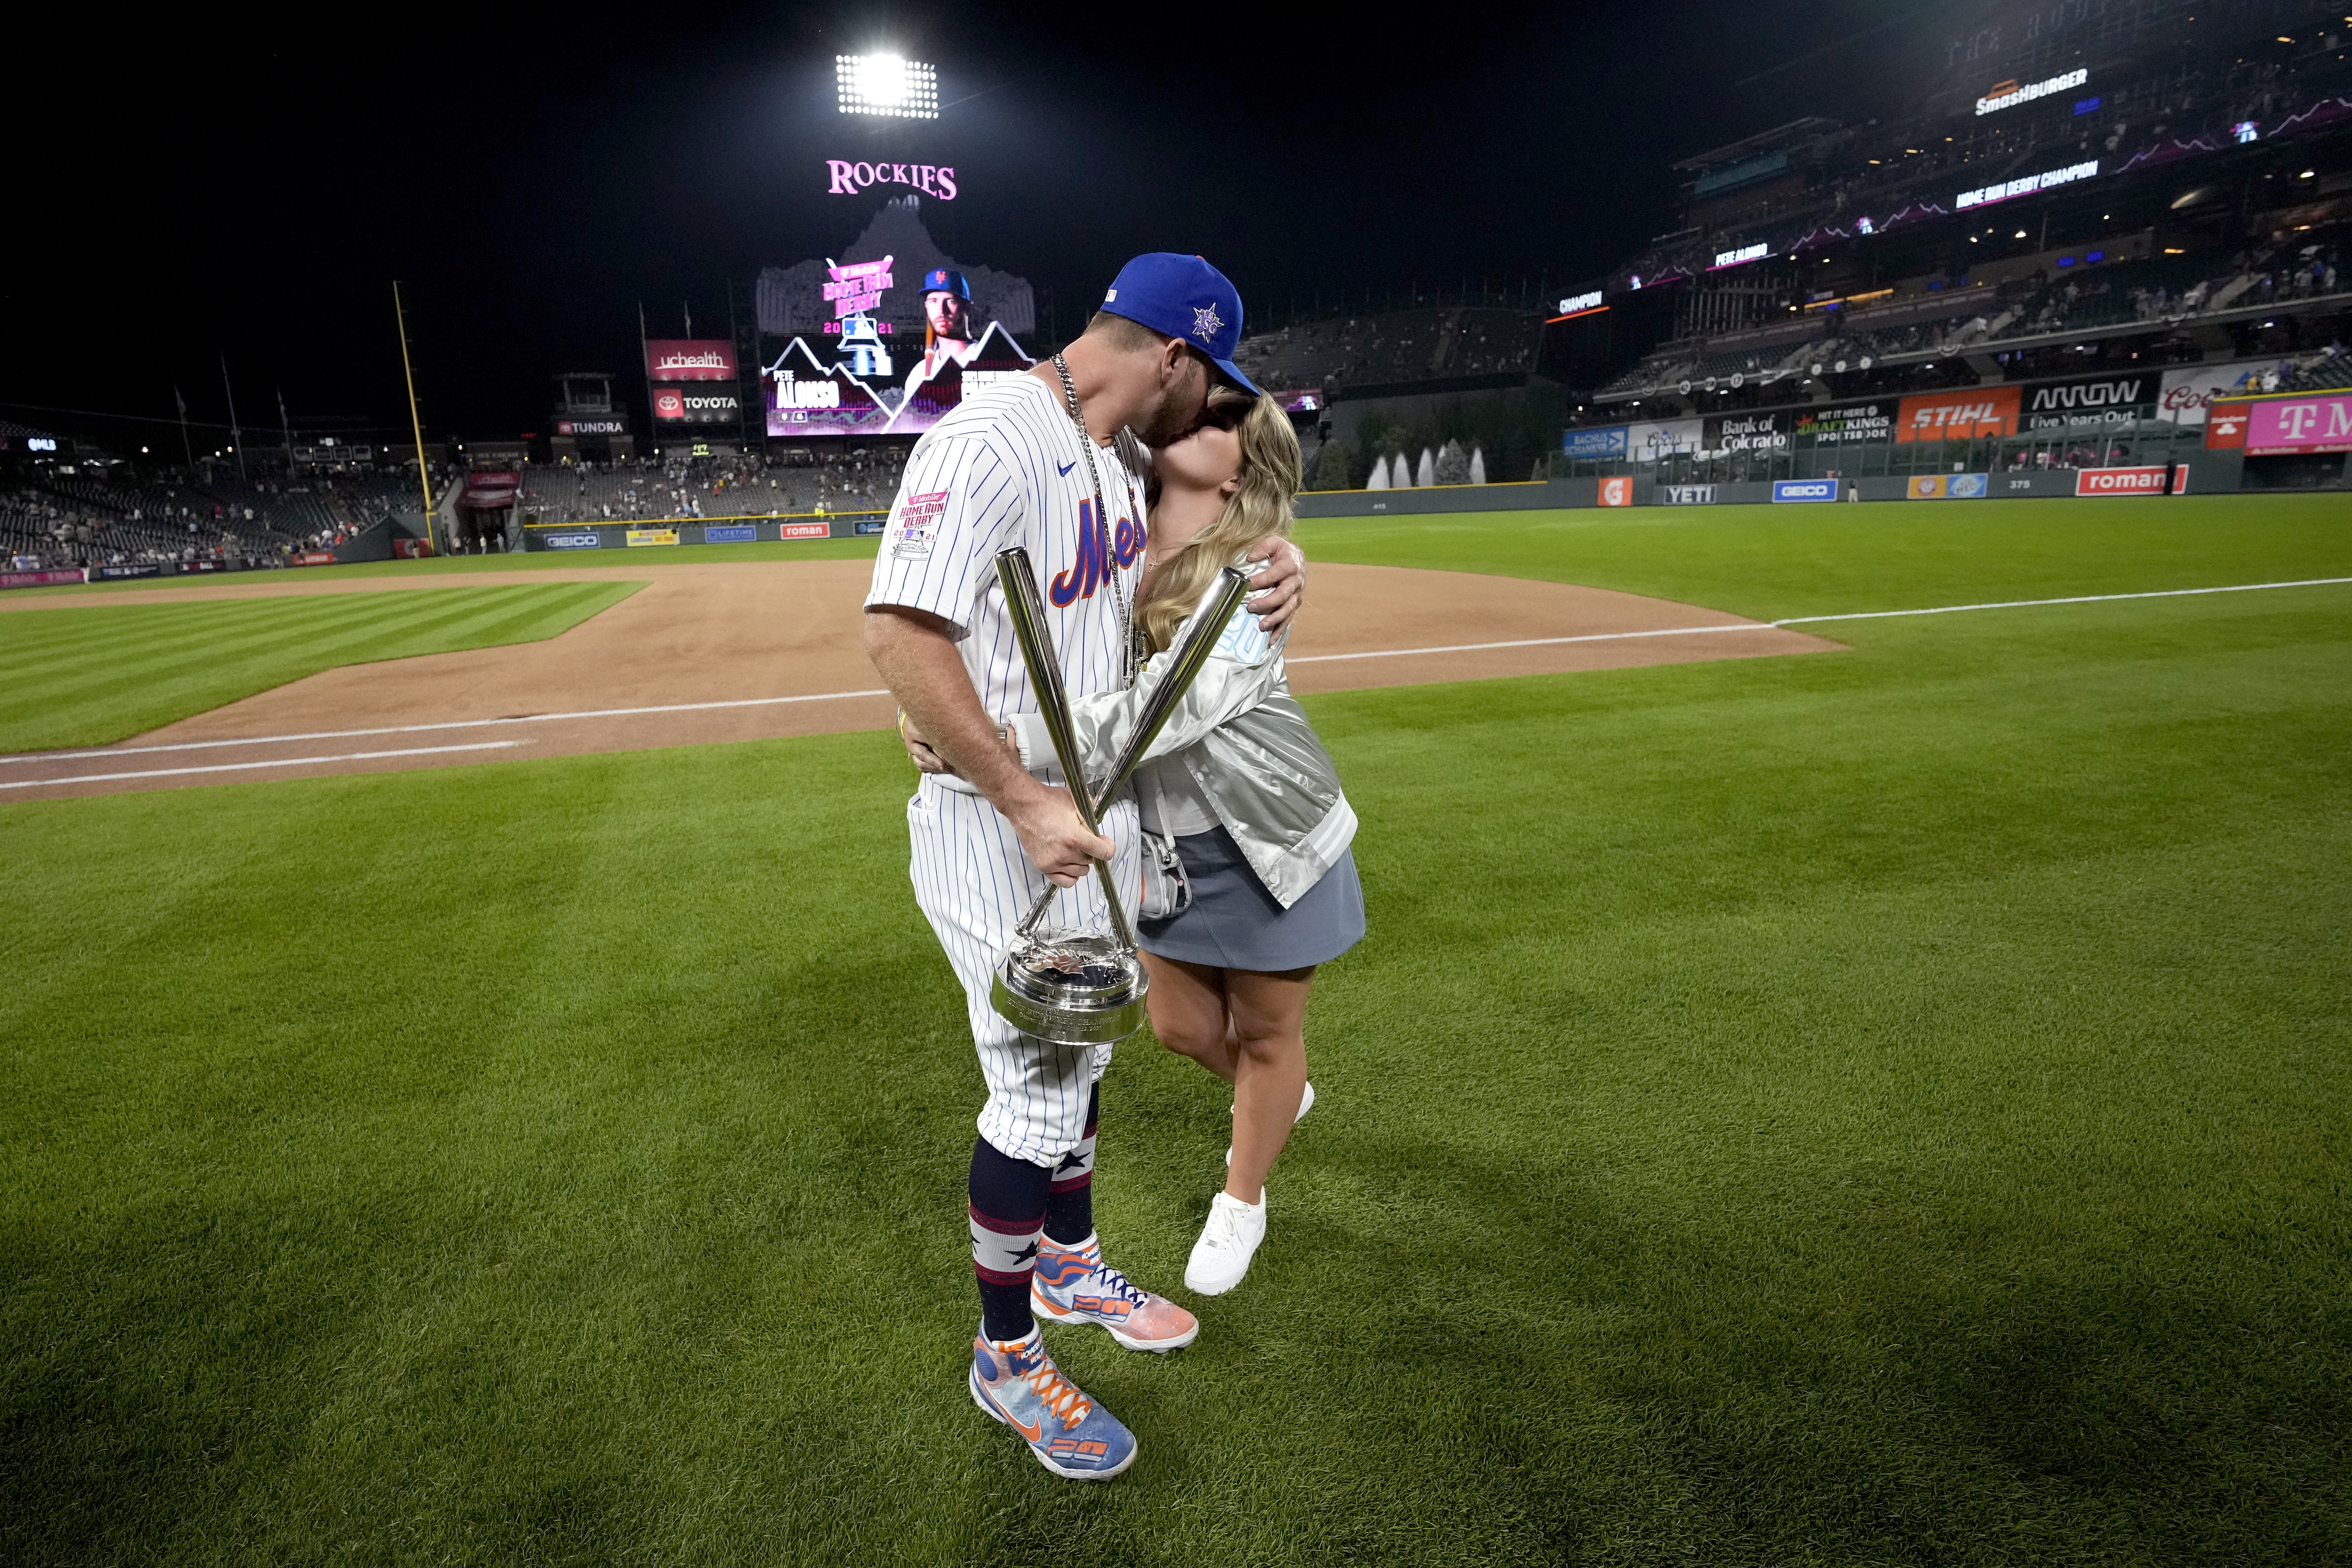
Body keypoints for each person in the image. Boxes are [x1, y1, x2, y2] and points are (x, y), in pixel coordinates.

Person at [861, 253, 1307, 1482]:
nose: (1209, 404)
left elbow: (1180, 571)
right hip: (989, 824)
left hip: (1076, 820)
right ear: (1170, 351)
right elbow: (899, 627)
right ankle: (1004, 1355)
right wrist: (1011, 790)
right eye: (1208, 378)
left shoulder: (1112, 462)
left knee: (1084, 1051)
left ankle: (1062, 1264)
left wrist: (1281, 567)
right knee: (1034, 1091)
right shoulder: (989, 438)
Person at [996, 387, 1361, 1298]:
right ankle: (1270, 1102)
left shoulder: (1254, 570)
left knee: (1272, 1033)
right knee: (1179, 1027)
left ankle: (1243, 1197)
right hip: (1164, 849)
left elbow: (1171, 708)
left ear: (1245, 466)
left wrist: (1007, 739)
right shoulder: (1114, 520)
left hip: (1272, 838)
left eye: (1224, 415)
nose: (1199, 410)